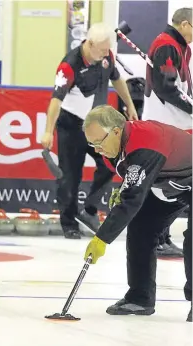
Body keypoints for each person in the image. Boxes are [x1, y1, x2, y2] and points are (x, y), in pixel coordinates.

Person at [83, 105, 192, 322]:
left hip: (183, 176)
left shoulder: (145, 143)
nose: (96, 150)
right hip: (173, 182)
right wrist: (124, 189)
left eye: (98, 142)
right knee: (141, 228)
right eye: (91, 144)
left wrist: (101, 239)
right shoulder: (112, 149)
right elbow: (132, 183)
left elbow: (132, 199)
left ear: (116, 131)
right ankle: (140, 298)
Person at [41, 22, 138, 239]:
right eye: (103, 49)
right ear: (90, 44)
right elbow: (56, 101)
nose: (107, 53)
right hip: (71, 125)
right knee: (69, 177)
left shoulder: (106, 57)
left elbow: (118, 79)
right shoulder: (69, 65)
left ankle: (90, 210)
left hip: (96, 125)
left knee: (112, 164)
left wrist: (130, 105)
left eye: (108, 49)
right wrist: (48, 131)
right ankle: (69, 224)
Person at [142, 7, 192, 258]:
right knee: (164, 179)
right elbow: (166, 88)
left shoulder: (180, 46)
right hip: (164, 125)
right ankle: (158, 237)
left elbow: (181, 87)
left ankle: (163, 236)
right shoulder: (166, 44)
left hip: (175, 125)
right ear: (184, 24)